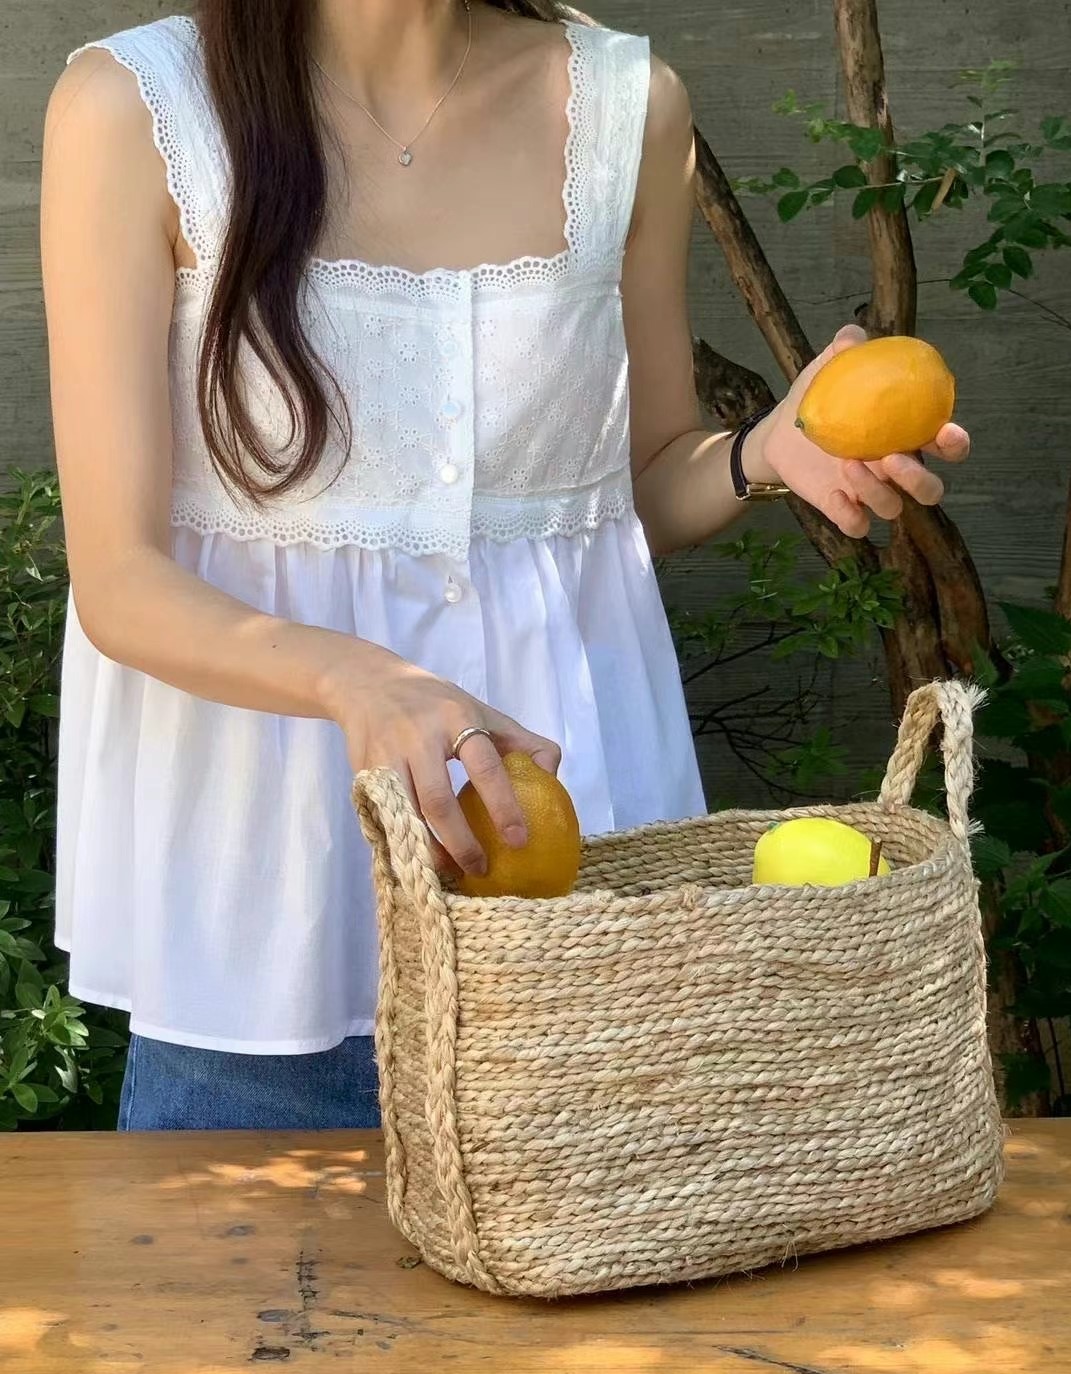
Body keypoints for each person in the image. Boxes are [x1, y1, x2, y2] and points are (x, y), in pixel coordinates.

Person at [40, 0, 968, 1132]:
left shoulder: (628, 107)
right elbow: (120, 578)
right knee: (238, 1250)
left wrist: (762, 453)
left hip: (575, 898)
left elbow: (628, 491)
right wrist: (359, 679)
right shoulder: (135, 108)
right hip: (269, 915)